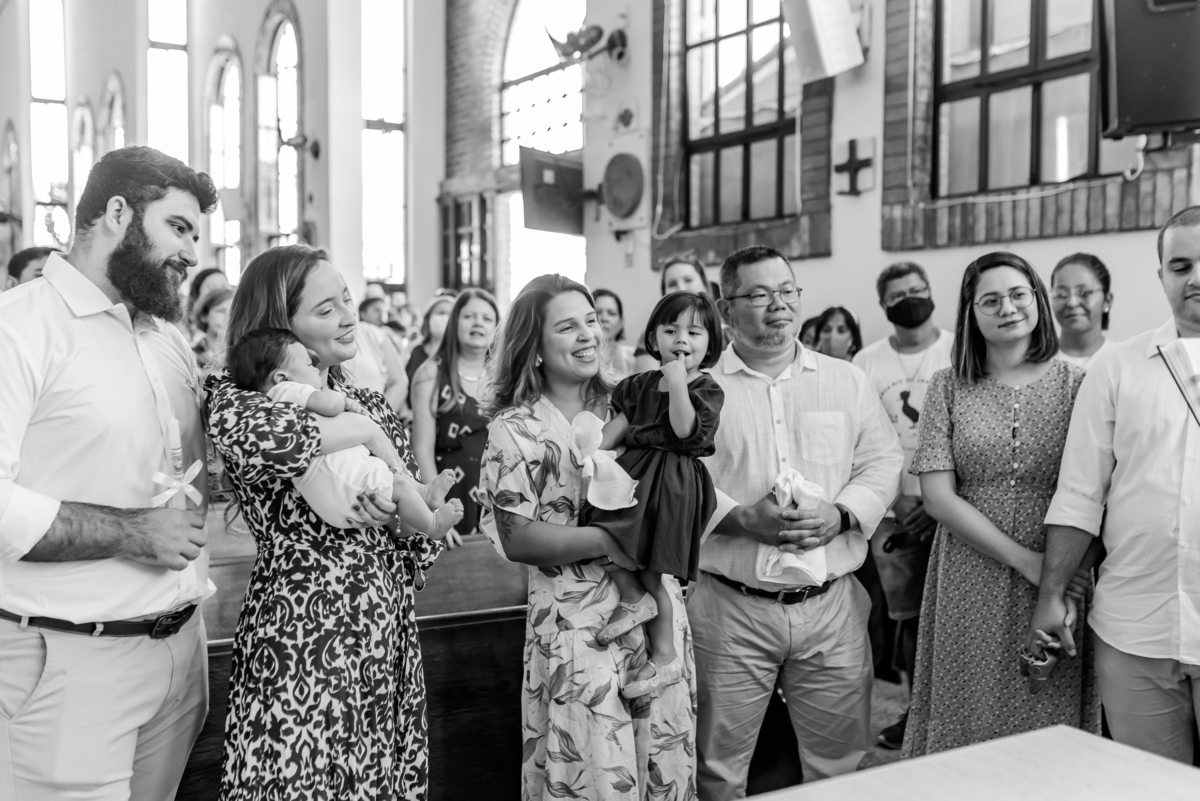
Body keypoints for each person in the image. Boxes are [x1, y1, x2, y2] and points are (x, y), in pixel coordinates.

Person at [0, 145, 218, 799]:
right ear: (117, 212)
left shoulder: (167, 335)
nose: (190, 253)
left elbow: (184, 471)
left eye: (194, 236)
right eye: (177, 227)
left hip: (182, 650)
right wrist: (131, 532)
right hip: (71, 660)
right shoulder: (22, 325)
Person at [206, 244, 447, 800]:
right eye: (325, 309)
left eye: (346, 300)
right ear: (280, 329)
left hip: (382, 632)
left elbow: (419, 528)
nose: (347, 317)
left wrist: (398, 521)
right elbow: (282, 442)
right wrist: (362, 435)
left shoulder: (369, 401)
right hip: (303, 636)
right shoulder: (239, 398)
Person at [691, 245, 903, 797]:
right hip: (730, 608)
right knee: (718, 768)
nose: (777, 305)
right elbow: (679, 483)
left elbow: (881, 460)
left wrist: (842, 513)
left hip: (830, 605)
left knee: (837, 765)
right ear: (725, 307)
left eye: (787, 291)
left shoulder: (845, 381)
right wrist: (738, 518)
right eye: (759, 294)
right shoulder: (699, 391)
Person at [478, 274, 697, 800]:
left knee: (665, 770)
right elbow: (519, 538)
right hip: (578, 624)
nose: (587, 336)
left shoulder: (634, 401)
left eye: (591, 321)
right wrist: (615, 539)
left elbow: (683, 478)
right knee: (597, 775)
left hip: (657, 612)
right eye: (567, 326)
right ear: (533, 348)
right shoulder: (517, 427)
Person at [903, 251, 1100, 758]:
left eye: (1018, 294)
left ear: (1036, 298)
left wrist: (1057, 571)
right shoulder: (947, 387)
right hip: (969, 570)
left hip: (1061, 564)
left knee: (1046, 707)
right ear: (970, 313)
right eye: (990, 300)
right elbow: (938, 497)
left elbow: (1097, 488)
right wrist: (1025, 562)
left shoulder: (1081, 385)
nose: (1007, 307)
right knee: (965, 707)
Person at [1028, 206, 1200, 764]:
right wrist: (1052, 595)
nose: (1195, 277)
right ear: (1161, 278)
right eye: (1181, 265)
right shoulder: (1119, 367)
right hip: (1134, 627)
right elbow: (1081, 492)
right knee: (1150, 789)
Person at [583, 291, 725, 697]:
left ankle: (664, 657)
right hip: (636, 474)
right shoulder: (639, 384)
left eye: (694, 332)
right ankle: (633, 599)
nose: (681, 338)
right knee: (601, 531)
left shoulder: (706, 388)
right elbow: (620, 428)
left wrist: (678, 383)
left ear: (710, 344)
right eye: (671, 329)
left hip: (675, 481)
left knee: (653, 565)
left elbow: (685, 431)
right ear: (653, 336)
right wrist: (593, 451)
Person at [225, 326, 464, 537]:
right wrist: (342, 401)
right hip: (342, 486)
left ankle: (425, 492)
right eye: (309, 364)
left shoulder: (280, 396)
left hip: (340, 489)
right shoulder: (286, 391)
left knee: (398, 482)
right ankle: (433, 525)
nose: (315, 369)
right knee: (398, 486)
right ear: (281, 377)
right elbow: (330, 405)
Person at [852, 261, 953, 750]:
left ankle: (954, 712)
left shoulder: (957, 349)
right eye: (899, 294)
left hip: (955, 508)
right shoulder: (866, 363)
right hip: (892, 511)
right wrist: (898, 496)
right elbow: (862, 443)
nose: (911, 298)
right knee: (909, 616)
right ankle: (918, 713)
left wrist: (940, 501)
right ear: (884, 304)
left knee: (955, 612)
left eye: (919, 289)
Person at [411, 288, 499, 546]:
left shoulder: (506, 377)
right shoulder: (430, 374)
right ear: (455, 322)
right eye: (469, 316)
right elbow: (422, 449)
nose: (478, 323)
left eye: (486, 318)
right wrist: (436, 512)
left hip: (497, 494)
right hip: (451, 495)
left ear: (497, 327)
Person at [1051, 253, 1115, 370]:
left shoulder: (1120, 360)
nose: (1072, 303)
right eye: (1061, 294)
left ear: (1107, 300)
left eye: (1084, 293)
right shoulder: (1035, 363)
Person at [405, 293, 454, 388]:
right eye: (441, 313)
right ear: (428, 318)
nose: (445, 318)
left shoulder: (457, 354)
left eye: (450, 315)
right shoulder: (415, 350)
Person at [593, 288, 637, 378]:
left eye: (612, 313)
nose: (604, 318)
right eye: (597, 312)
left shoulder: (635, 360)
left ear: (621, 323)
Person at [192, 285, 233, 371]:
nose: (228, 317)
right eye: (221, 311)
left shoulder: (242, 352)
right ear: (204, 315)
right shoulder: (191, 353)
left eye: (232, 312)